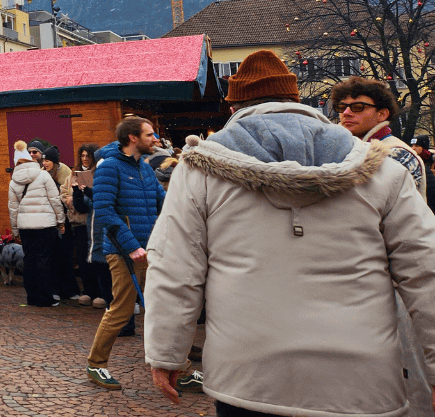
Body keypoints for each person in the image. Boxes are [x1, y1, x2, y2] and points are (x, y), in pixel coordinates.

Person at [145, 48, 435, 414]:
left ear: (233, 108)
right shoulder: (381, 169)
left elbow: (175, 267)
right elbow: (426, 270)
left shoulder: (200, 171)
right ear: (297, 100)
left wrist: (166, 354)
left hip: (248, 373)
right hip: (362, 377)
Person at [84, 116, 165, 390]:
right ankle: (96, 364)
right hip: (124, 253)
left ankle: (178, 365)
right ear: (133, 138)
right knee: (120, 311)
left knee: (162, 307)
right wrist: (132, 246)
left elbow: (163, 202)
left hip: (149, 250)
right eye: (150, 134)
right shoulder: (110, 168)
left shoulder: (144, 168)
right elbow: (104, 210)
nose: (155, 139)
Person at [331, 75, 427, 200]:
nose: (346, 113)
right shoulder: (334, 150)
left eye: (358, 107)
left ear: (382, 114)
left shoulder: (397, 154)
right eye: (342, 107)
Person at [8, 156, 64, 307]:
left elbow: (13, 208)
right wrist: (61, 220)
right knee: (44, 260)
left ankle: (32, 297)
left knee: (29, 260)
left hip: (25, 227)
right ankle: (45, 297)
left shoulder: (14, 181)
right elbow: (55, 200)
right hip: (46, 225)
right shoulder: (44, 175)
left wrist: (15, 230)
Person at [41, 146, 80, 301]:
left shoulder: (67, 175)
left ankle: (69, 289)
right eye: (43, 160)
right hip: (50, 221)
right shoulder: (42, 176)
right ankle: (56, 288)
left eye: (48, 160)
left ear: (55, 162)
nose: (44, 163)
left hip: (67, 220)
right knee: (54, 255)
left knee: (66, 255)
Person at [70, 144, 105, 307]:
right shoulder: (76, 173)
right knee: (85, 258)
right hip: (82, 222)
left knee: (100, 257)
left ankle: (101, 292)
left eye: (88, 156)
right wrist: (76, 193)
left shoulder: (102, 173)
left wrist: (87, 192)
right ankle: (89, 290)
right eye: (82, 155)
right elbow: (83, 205)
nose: (85, 159)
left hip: (100, 223)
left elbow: (99, 199)